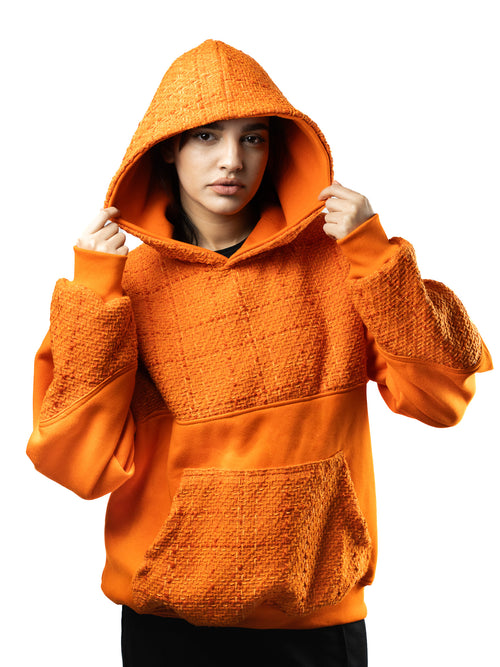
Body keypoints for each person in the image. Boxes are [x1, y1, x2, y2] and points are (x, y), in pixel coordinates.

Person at [27, 40, 492, 667]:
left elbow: (441, 399)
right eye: (207, 137)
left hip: (315, 615)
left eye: (253, 138)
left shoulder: (342, 262)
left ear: (276, 150)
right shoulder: (125, 286)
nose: (232, 160)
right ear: (167, 149)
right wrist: (92, 294)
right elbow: (76, 464)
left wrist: (373, 253)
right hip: (168, 619)